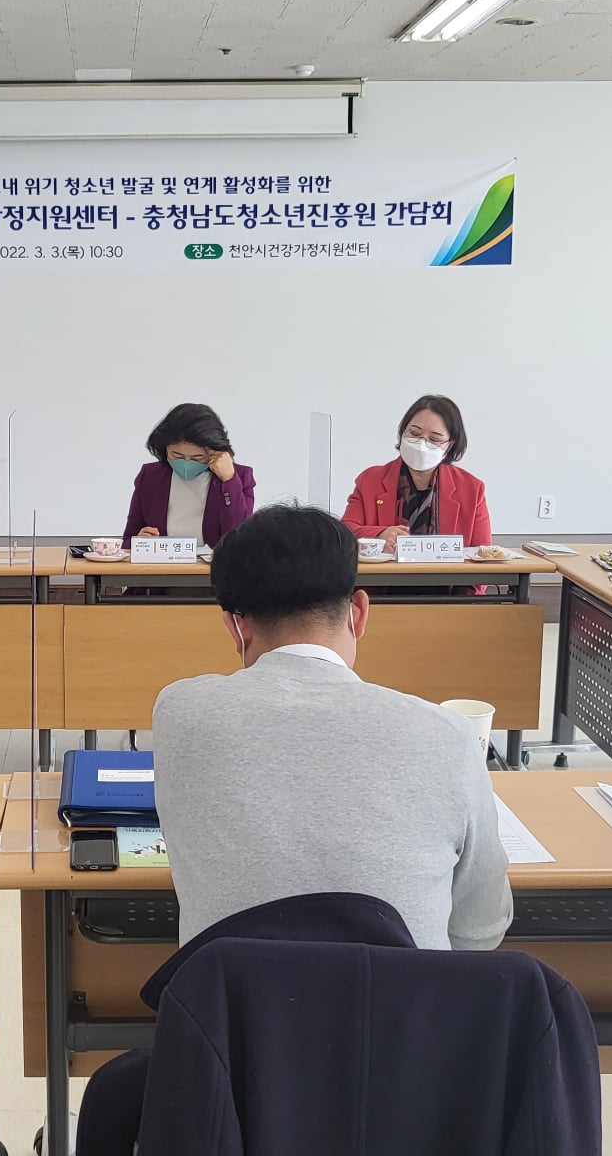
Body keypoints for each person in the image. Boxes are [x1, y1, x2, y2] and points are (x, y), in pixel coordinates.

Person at [152, 504, 513, 948]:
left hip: (228, 993)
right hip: (404, 993)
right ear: (358, 612)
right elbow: (481, 927)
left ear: (235, 626)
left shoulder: (179, 711)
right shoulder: (448, 734)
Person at [341, 394, 492, 548]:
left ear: (449, 445)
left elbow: (484, 553)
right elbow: (344, 533)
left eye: (434, 439)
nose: (421, 444)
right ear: (403, 431)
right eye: (414, 433)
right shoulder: (371, 480)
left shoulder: (472, 489)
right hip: (387, 564)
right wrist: (379, 535)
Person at [123, 403, 256, 548]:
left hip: (213, 563)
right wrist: (141, 542)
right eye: (177, 455)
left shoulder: (240, 477)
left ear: (216, 452)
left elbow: (240, 542)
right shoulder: (150, 476)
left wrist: (229, 480)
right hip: (163, 562)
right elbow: (128, 540)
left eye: (197, 457)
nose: (186, 462)